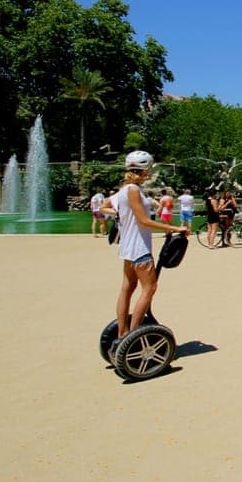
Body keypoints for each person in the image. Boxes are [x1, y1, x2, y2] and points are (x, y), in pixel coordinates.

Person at [103, 151, 189, 353]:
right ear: (143, 170)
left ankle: (122, 334)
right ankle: (132, 338)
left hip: (127, 248)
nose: (149, 173)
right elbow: (144, 221)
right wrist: (175, 228)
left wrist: (121, 215)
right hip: (139, 248)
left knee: (127, 289)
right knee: (149, 288)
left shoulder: (123, 190)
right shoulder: (133, 190)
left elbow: (103, 207)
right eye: (148, 169)